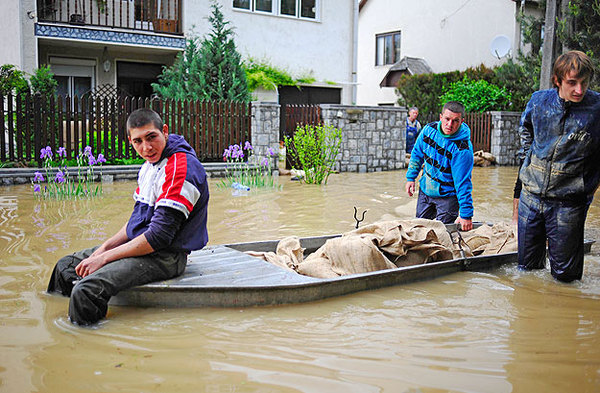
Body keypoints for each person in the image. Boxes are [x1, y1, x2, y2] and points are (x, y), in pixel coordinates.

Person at [47, 108, 210, 325]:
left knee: (87, 290)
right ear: (130, 141)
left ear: (164, 131)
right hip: (142, 245)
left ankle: (84, 342)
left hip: (165, 257)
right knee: (65, 267)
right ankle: (60, 321)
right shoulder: (150, 165)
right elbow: (137, 220)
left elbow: (159, 237)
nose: (146, 147)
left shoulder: (181, 169)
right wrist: (103, 249)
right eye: (138, 141)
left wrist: (104, 259)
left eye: (151, 137)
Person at [517, 50, 600, 282]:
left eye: (584, 83)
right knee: (526, 271)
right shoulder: (539, 101)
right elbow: (525, 129)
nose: (579, 90)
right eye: (572, 83)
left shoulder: (597, 109)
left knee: (566, 279)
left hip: (569, 204)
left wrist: (588, 186)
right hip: (531, 199)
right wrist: (529, 159)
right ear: (557, 80)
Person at [405, 101, 474, 231]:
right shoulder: (428, 130)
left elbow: (463, 183)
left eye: (455, 121)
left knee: (442, 234)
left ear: (462, 121)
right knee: (418, 229)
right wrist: (410, 178)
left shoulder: (462, 149)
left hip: (448, 198)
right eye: (447, 119)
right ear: (440, 117)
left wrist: (466, 215)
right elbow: (416, 154)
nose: (450, 124)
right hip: (426, 190)